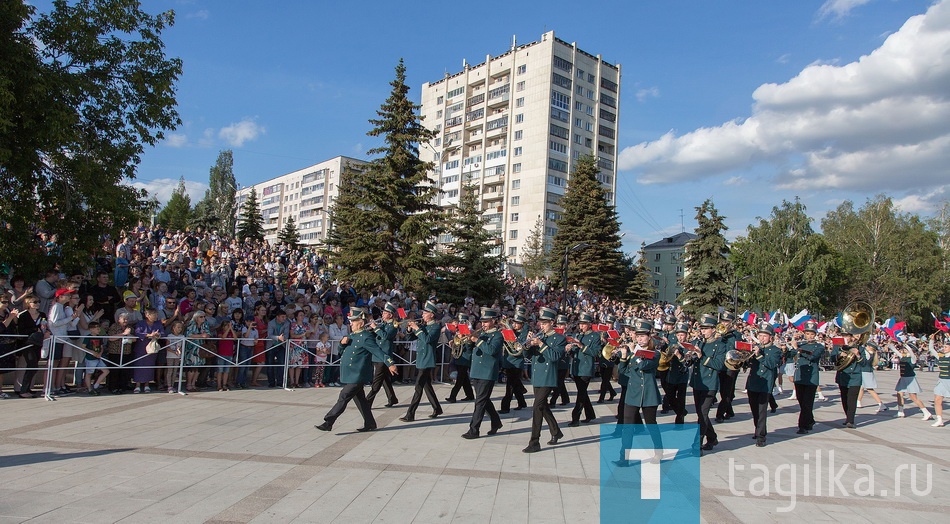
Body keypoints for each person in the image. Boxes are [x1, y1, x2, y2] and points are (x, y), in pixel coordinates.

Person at [315, 307, 397, 432]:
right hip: (350, 373)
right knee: (361, 401)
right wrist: (342, 343)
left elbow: (378, 351)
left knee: (344, 395)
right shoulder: (351, 335)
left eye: (354, 321)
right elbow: (341, 352)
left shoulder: (366, 336)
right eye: (351, 321)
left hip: (358, 374)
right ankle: (370, 423)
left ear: (362, 323)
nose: (351, 323)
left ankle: (328, 422)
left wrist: (390, 363)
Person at [521, 306, 565, 454]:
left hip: (548, 377)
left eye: (545, 323)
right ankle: (556, 431)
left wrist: (540, 344)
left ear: (552, 322)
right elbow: (528, 355)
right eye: (541, 323)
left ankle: (534, 441)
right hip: (537, 376)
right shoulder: (541, 337)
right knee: (543, 406)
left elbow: (554, 357)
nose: (542, 326)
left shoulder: (559, 339)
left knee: (537, 407)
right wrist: (528, 344)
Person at [462, 307, 504, 439]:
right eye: (482, 322)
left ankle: (474, 430)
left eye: (486, 322)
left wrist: (477, 341)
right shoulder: (482, 334)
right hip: (476, 371)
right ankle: (496, 422)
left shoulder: (497, 335)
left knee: (479, 401)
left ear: (493, 321)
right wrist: (468, 341)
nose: (483, 324)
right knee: (483, 399)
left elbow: (491, 350)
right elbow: (472, 351)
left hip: (487, 372)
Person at [690, 313, 727, 453]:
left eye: (706, 328)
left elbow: (719, 364)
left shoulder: (720, 345)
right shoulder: (699, 342)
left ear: (713, 329)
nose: (703, 331)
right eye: (702, 328)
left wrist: (702, 356)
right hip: (697, 381)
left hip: (709, 383)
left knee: (703, 413)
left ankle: (697, 445)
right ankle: (712, 437)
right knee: (701, 413)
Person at [400, 301, 443, 421]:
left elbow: (427, 339)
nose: (423, 314)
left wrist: (417, 328)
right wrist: (409, 329)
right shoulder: (424, 326)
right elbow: (410, 338)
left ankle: (410, 414)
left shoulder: (435, 326)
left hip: (428, 360)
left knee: (418, 387)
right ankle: (437, 408)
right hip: (421, 359)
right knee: (426, 385)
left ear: (432, 315)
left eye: (425, 312)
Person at [745, 322, 782, 447]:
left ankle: (761, 436)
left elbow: (772, 364)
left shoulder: (775, 351)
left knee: (762, 411)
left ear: (771, 337)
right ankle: (758, 429)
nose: (761, 338)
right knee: (754, 410)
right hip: (752, 382)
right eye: (760, 335)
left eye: (764, 336)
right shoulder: (755, 348)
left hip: (765, 384)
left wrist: (759, 355)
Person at [791, 320, 825, 434]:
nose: (809, 336)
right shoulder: (801, 344)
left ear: (815, 335)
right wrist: (790, 346)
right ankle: (810, 420)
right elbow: (789, 356)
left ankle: (803, 426)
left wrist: (798, 349)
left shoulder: (819, 346)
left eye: (812, 334)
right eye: (807, 333)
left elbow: (812, 357)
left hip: (811, 378)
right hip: (800, 376)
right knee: (802, 403)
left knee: (807, 403)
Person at [567, 312, 599, 426]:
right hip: (576, 368)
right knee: (583, 392)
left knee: (580, 394)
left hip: (585, 368)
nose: (581, 326)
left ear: (589, 324)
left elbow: (595, 352)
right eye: (580, 324)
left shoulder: (595, 336)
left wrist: (581, 346)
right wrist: (570, 348)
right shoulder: (579, 335)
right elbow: (574, 353)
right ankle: (590, 414)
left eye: (584, 324)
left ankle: (575, 418)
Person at [366, 302, 400, 407]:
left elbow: (385, 336)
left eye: (385, 313)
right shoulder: (383, 324)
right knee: (385, 379)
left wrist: (376, 328)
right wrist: (371, 329)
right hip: (377, 355)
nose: (382, 315)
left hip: (384, 356)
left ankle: (367, 402)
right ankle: (392, 398)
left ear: (390, 315)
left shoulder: (393, 326)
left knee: (377, 381)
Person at [833, 332, 866, 429]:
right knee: (844, 398)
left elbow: (864, 363)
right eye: (843, 336)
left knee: (852, 399)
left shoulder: (859, 348)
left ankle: (851, 420)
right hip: (843, 375)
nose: (845, 338)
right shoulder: (838, 347)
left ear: (851, 337)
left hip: (855, 376)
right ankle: (848, 416)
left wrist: (858, 355)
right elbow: (832, 358)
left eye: (847, 336)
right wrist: (839, 355)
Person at [893, 342, 934, 420]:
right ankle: (900, 411)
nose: (903, 350)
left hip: (910, 379)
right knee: (899, 394)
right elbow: (895, 351)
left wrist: (908, 347)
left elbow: (912, 354)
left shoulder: (913, 358)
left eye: (905, 349)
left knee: (913, 397)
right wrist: (891, 344)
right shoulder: (903, 357)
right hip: (903, 378)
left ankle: (926, 412)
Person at [499, 310, 529, 413]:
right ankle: (522, 402)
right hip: (508, 361)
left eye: (517, 323)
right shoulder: (512, 332)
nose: (514, 325)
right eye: (514, 323)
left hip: (517, 362)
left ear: (522, 324)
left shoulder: (524, 333)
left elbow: (521, 345)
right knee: (515, 383)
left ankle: (505, 407)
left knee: (510, 385)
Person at [715, 311, 741, 423]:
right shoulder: (718, 333)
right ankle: (729, 411)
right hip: (721, 365)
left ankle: (720, 414)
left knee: (727, 392)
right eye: (723, 321)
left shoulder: (736, 335)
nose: (724, 323)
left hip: (731, 366)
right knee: (722, 391)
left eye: (727, 321)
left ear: (731, 323)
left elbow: (739, 350)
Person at [666, 322, 693, 425]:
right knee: (670, 397)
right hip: (672, 374)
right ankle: (681, 412)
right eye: (678, 335)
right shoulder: (672, 344)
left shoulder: (689, 347)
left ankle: (680, 419)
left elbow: (687, 363)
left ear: (686, 335)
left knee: (681, 398)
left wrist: (678, 355)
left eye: (682, 335)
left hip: (682, 375)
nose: (680, 337)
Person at [132, 308, 164, 393]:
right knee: (139, 365)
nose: (155, 316)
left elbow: (162, 332)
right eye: (153, 314)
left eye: (156, 314)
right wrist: (149, 335)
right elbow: (138, 333)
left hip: (152, 347)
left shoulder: (158, 323)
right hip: (141, 347)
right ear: (147, 315)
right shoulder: (141, 323)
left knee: (150, 365)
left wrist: (158, 335)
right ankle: (137, 385)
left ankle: (147, 384)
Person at [446, 313, 475, 403]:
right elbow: (457, 345)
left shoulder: (469, 333)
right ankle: (470, 395)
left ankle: (452, 396)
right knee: (464, 378)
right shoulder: (458, 332)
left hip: (465, 358)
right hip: (459, 358)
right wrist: (453, 342)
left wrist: (465, 337)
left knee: (460, 379)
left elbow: (469, 346)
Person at [856, 341, 888, 411]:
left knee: (870, 389)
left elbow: (862, 354)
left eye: (867, 345)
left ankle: (881, 404)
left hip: (866, 372)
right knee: (861, 387)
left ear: (870, 347)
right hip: (866, 371)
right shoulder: (871, 353)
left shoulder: (868, 353)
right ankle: (858, 402)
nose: (866, 346)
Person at [548, 314, 571, 406]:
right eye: (558, 325)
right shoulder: (555, 335)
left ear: (566, 325)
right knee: (559, 382)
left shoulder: (569, 335)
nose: (559, 327)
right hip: (555, 361)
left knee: (558, 382)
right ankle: (565, 399)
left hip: (563, 362)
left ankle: (553, 401)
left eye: (561, 325)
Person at [81, 322, 109, 395]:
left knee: (106, 371)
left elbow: (102, 347)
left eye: (99, 328)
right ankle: (90, 389)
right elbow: (83, 347)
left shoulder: (99, 337)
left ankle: (96, 385)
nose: (98, 330)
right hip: (90, 358)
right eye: (97, 328)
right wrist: (92, 352)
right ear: (91, 329)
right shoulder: (88, 337)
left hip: (98, 358)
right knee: (89, 373)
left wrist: (100, 353)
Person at [266, 309, 290, 388]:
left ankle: (280, 382)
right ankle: (271, 382)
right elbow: (269, 335)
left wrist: (283, 338)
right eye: (282, 317)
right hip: (271, 345)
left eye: (285, 317)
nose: (284, 318)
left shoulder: (287, 323)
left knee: (282, 363)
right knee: (270, 364)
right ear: (277, 317)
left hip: (281, 345)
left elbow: (286, 334)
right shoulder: (271, 323)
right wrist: (278, 338)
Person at [929, 337, 950, 427]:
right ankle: (939, 419)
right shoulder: (941, 357)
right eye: (943, 346)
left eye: (946, 347)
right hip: (941, 380)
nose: (943, 348)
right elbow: (931, 349)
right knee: (937, 399)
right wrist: (931, 340)